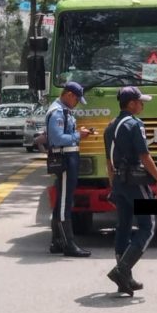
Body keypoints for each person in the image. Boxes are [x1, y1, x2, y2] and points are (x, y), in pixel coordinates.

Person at [103, 86, 157, 296]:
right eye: (140, 101)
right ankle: (122, 270)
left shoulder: (110, 126)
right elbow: (144, 156)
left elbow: (108, 162)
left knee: (124, 227)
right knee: (148, 227)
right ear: (131, 104)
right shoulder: (134, 124)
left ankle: (124, 279)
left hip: (119, 182)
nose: (142, 105)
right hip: (135, 182)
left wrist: (113, 186)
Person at [47, 81, 93, 258]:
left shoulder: (64, 111)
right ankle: (69, 244)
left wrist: (77, 132)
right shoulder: (58, 112)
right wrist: (78, 135)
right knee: (65, 203)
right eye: (76, 99)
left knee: (62, 201)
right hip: (65, 159)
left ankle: (57, 241)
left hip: (69, 158)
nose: (76, 103)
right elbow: (57, 138)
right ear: (68, 95)